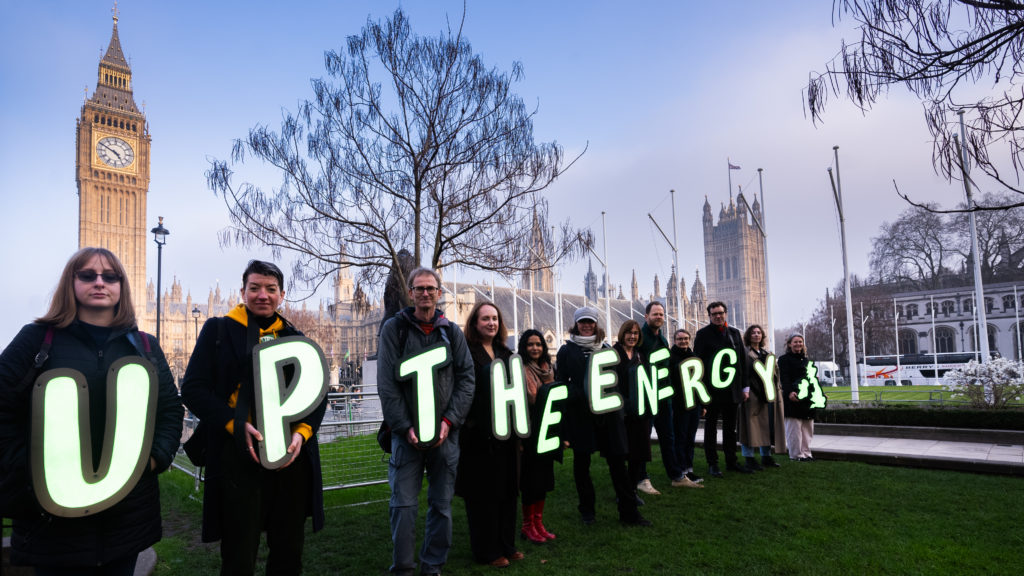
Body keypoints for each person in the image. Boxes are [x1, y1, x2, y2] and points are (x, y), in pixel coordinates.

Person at [0, 247, 182, 575]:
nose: (100, 282)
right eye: (88, 275)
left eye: (110, 276)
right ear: (71, 282)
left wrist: (155, 459)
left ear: (122, 286)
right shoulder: (37, 340)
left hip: (123, 521)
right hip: (53, 524)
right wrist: (26, 470)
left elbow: (170, 410)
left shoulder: (145, 346)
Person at [181, 259, 327, 576]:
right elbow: (192, 389)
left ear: (282, 294)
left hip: (289, 460)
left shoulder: (294, 336)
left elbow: (318, 394)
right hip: (237, 458)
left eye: (271, 289)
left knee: (288, 553)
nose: (263, 295)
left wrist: (301, 433)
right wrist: (234, 424)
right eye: (255, 288)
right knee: (238, 554)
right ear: (243, 291)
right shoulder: (218, 330)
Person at [376, 268, 475, 576]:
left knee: (441, 506)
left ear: (438, 292)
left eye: (430, 288)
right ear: (411, 293)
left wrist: (450, 420)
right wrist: (405, 427)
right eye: (419, 289)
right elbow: (387, 385)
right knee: (403, 506)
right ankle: (404, 568)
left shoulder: (451, 332)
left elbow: (467, 378)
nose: (425, 293)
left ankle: (433, 566)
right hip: (406, 437)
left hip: (446, 435)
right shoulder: (395, 329)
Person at [557, 307, 650, 527]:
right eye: (582, 322)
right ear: (576, 324)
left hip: (608, 415)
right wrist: (579, 394)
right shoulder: (566, 351)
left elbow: (617, 381)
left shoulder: (608, 349)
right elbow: (562, 383)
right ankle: (587, 510)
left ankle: (629, 513)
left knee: (618, 463)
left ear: (596, 324)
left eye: (590, 322)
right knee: (582, 464)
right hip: (582, 415)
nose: (587, 325)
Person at [455, 302, 523, 567]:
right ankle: (487, 550)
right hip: (478, 437)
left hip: (506, 436)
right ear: (474, 323)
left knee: (507, 491)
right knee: (483, 495)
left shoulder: (505, 352)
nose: (491, 323)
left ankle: (507, 543)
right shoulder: (466, 352)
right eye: (485, 319)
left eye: (495, 318)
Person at [693, 301, 751, 478]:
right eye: (714, 314)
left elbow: (742, 362)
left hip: (732, 390)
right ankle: (713, 463)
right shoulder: (702, 334)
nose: (718, 316)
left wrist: (745, 387)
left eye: (720, 313)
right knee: (711, 429)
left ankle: (731, 461)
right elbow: (698, 363)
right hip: (712, 391)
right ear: (709, 316)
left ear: (725, 314)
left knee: (730, 428)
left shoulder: (734, 333)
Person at [517, 329, 559, 544]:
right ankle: (527, 526)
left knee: (543, 480)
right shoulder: (520, 370)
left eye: (538, 344)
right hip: (530, 432)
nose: (535, 348)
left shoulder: (549, 370)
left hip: (547, 431)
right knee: (530, 481)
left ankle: (538, 523)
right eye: (530, 344)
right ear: (524, 347)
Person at [612, 320, 652, 503]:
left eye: (636, 333)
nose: (632, 336)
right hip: (620, 413)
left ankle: (631, 491)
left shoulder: (640, 355)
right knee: (620, 456)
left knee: (638, 454)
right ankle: (623, 493)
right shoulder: (613, 354)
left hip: (639, 413)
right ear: (622, 334)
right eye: (629, 333)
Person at [738, 325, 784, 470]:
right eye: (753, 333)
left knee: (766, 426)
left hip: (768, 395)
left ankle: (766, 456)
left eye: (759, 333)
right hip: (752, 395)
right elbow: (742, 373)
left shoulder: (767, 353)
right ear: (748, 336)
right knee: (749, 427)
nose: (756, 335)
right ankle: (749, 458)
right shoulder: (744, 353)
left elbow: (775, 374)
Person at [668, 329, 703, 487]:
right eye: (680, 339)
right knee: (680, 438)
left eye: (686, 338)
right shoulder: (671, 358)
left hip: (694, 404)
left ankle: (689, 468)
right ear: (675, 340)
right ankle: (681, 470)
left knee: (690, 437)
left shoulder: (694, 357)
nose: (683, 341)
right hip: (679, 404)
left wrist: (702, 404)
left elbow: (700, 382)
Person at [778, 333, 821, 462]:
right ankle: (796, 455)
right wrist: (790, 392)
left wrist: (819, 393)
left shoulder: (807, 360)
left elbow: (812, 379)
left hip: (807, 399)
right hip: (793, 397)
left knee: (807, 428)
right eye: (795, 342)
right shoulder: (784, 359)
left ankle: (806, 453)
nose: (798, 344)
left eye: (800, 342)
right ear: (790, 344)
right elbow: (784, 378)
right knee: (794, 429)